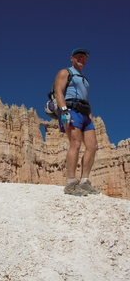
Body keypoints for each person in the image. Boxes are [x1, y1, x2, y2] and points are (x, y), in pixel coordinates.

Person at [54, 48, 99, 196]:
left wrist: (90, 115)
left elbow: (85, 98)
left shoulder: (84, 79)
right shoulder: (65, 72)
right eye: (79, 56)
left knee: (92, 146)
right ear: (72, 58)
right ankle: (71, 183)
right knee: (76, 144)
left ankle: (84, 181)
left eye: (84, 57)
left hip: (85, 114)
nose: (81, 59)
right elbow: (58, 92)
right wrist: (64, 111)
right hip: (71, 110)